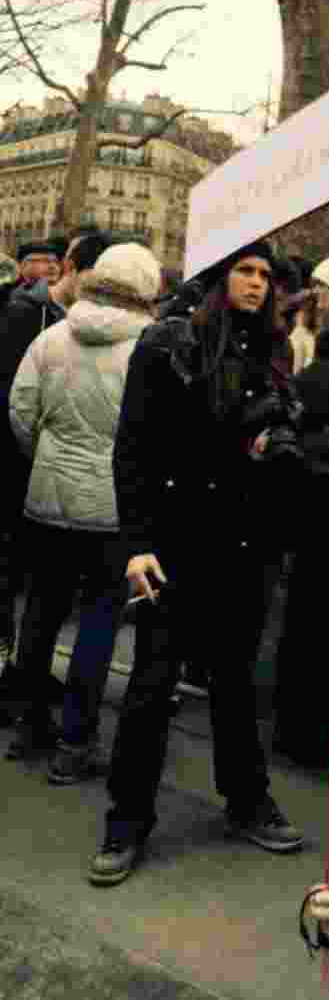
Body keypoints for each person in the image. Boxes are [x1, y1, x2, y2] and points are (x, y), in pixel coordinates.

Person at [88, 240, 304, 887]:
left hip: (240, 545)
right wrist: (137, 543)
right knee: (151, 689)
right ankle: (126, 821)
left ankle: (247, 799)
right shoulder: (164, 344)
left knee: (235, 684)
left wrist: (272, 445)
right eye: (245, 269)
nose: (257, 283)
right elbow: (132, 449)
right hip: (173, 544)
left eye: (266, 274)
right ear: (220, 274)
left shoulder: (273, 348)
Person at [6, 244, 159, 775]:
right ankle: (75, 743)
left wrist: (46, 458)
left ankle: (27, 726)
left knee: (41, 615)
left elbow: (21, 412)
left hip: (45, 502)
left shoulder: (50, 338)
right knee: (98, 625)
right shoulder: (150, 347)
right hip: (114, 511)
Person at [0, 231, 111, 721]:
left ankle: (22, 673)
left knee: (31, 583)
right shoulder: (24, 314)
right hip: (16, 466)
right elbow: (14, 401)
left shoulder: (75, 322)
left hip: (45, 473)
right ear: (72, 268)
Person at [273, 296, 329, 768]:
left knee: (302, 621)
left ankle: (293, 726)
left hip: (304, 517)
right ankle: (325, 730)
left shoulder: (302, 382)